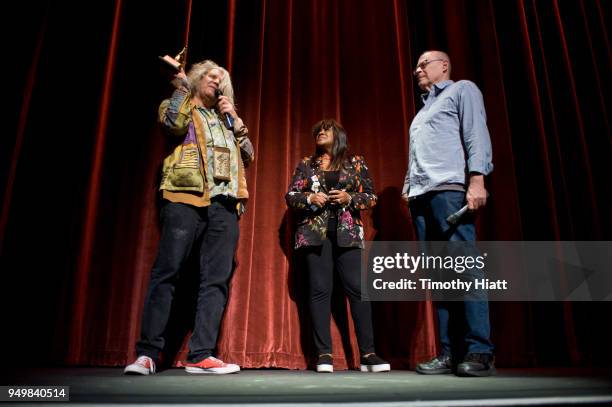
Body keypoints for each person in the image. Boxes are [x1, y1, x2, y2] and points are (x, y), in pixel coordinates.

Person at [124, 60, 254, 375]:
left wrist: (235, 119)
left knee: (215, 280)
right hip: (186, 197)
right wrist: (182, 88)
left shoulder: (226, 119)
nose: (216, 79)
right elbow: (172, 126)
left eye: (221, 77)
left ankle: (201, 355)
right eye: (210, 75)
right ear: (195, 80)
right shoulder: (178, 105)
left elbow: (248, 155)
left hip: (224, 203)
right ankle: (148, 354)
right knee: (167, 272)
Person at [402, 51, 495, 377]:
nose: (417, 70)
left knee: (465, 271)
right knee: (440, 278)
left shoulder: (462, 90)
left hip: (450, 191)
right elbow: (418, 155)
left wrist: (477, 178)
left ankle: (479, 350)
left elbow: (475, 134)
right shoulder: (423, 112)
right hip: (422, 197)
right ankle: (448, 352)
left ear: (444, 66)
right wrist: (408, 188)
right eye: (416, 66)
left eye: (423, 64)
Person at [286, 119, 390, 373]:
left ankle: (368, 354)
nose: (320, 132)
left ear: (338, 135)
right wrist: (310, 197)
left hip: (348, 232)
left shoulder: (355, 163)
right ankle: (324, 355)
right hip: (314, 234)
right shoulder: (306, 164)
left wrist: (349, 197)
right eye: (317, 130)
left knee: (357, 290)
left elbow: (371, 196)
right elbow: (291, 196)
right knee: (320, 291)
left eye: (326, 129)